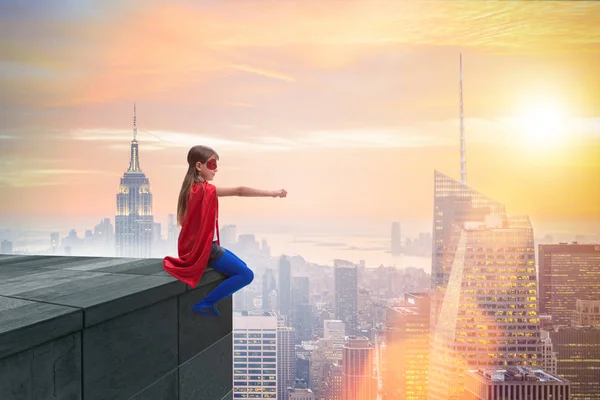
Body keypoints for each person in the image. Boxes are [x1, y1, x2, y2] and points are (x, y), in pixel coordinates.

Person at [163, 145, 287, 317]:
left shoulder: (192, 189)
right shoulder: (204, 190)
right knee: (246, 275)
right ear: (199, 166)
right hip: (207, 250)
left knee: (242, 267)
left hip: (201, 248)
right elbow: (239, 191)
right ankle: (205, 304)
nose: (216, 169)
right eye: (212, 164)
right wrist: (273, 193)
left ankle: (206, 302)